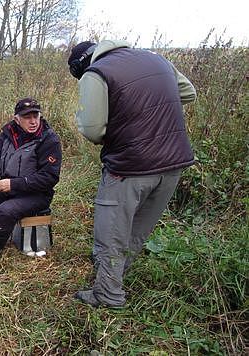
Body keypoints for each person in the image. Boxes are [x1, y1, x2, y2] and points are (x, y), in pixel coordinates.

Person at [67, 40, 196, 307]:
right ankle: (114, 275)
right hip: (173, 164)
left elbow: (92, 128)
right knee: (137, 228)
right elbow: (188, 93)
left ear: (81, 64)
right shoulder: (156, 59)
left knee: (110, 232)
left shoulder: (97, 72)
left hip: (130, 167)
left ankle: (108, 294)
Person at [0, 97, 62, 267]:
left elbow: (49, 178)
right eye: (27, 117)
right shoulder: (8, 133)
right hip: (6, 187)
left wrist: (13, 184)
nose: (33, 121)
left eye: (35, 116)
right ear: (17, 119)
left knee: (4, 211)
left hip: (36, 194)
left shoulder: (49, 139)